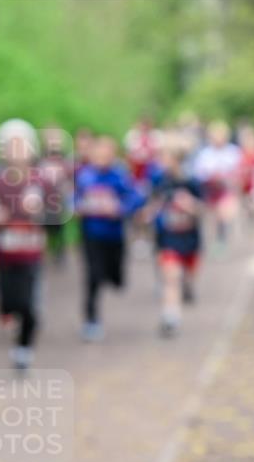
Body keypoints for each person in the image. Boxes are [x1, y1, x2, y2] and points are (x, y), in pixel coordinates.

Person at [0, 119, 49, 369]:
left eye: (21, 146)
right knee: (8, 303)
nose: (16, 152)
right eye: (11, 146)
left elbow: (59, 219)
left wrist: (41, 214)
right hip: (4, 256)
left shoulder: (42, 182)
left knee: (29, 305)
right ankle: (12, 319)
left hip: (31, 254)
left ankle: (23, 349)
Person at [74, 135, 145, 342]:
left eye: (106, 153)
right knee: (93, 276)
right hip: (91, 234)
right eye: (98, 153)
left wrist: (120, 208)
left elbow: (136, 197)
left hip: (114, 234)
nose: (102, 157)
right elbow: (73, 197)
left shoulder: (120, 175)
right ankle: (91, 320)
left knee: (116, 278)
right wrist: (78, 207)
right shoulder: (84, 175)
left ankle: (112, 276)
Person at [143, 140, 206, 338]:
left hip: (189, 239)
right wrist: (148, 214)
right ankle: (170, 317)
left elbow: (203, 210)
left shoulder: (192, 182)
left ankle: (188, 288)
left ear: (177, 160)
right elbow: (151, 205)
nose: (162, 161)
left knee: (185, 276)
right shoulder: (159, 181)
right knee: (171, 278)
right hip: (168, 238)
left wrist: (190, 206)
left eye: (166, 157)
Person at [193, 120, 242, 245]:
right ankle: (214, 239)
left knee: (224, 215)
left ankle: (222, 239)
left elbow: (239, 171)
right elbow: (199, 172)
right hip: (210, 190)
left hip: (227, 190)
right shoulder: (205, 153)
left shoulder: (233, 152)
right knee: (212, 219)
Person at [37, 125, 73, 266]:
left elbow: (70, 178)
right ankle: (43, 253)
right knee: (43, 225)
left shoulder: (65, 158)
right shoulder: (39, 157)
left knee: (59, 226)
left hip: (59, 198)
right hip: (43, 199)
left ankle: (59, 252)